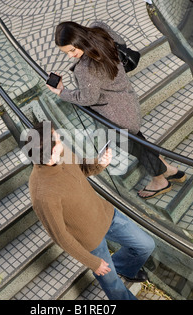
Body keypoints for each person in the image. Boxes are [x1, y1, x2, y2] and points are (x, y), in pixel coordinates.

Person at [46, 21, 186, 199]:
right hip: (127, 104)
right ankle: (170, 170)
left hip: (114, 118)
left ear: (81, 39)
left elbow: (88, 98)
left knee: (138, 148)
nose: (71, 56)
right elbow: (122, 43)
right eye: (66, 53)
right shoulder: (100, 31)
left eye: (73, 50)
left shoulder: (85, 69)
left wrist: (62, 92)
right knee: (140, 142)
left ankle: (160, 181)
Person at [26, 121, 155, 300]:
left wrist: (100, 164)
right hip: (90, 241)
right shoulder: (43, 195)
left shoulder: (61, 153)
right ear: (51, 152)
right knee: (115, 288)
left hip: (105, 214)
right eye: (58, 139)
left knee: (146, 244)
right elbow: (60, 236)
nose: (61, 140)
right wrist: (93, 263)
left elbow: (81, 169)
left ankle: (123, 268)